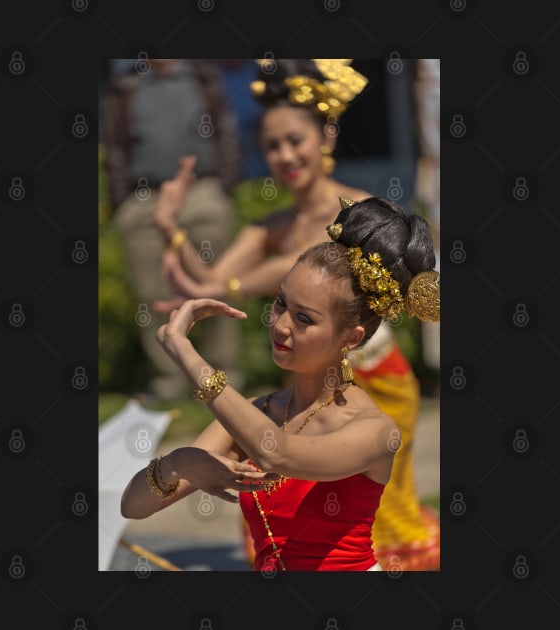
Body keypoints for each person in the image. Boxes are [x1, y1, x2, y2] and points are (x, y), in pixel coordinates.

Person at [151, 59, 441, 570]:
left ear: (326, 135)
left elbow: (236, 282)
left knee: (380, 517)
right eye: (272, 145)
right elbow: (209, 283)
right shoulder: (274, 226)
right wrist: (168, 225)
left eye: (294, 140)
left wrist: (193, 356)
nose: (285, 155)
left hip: (376, 381)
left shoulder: (356, 219)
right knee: (284, 499)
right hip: (310, 382)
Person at [120, 195, 440, 572]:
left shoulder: (374, 430)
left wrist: (187, 355)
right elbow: (133, 506)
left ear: (350, 338)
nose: (281, 324)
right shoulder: (258, 412)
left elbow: (277, 454)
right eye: (280, 303)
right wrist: (178, 463)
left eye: (304, 318)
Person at [99, 58, 244, 401]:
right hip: (145, 197)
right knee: (152, 294)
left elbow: (226, 129)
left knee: (215, 283)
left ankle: (225, 374)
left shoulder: (204, 75)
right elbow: (115, 146)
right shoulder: (125, 85)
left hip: (202, 191)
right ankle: (169, 381)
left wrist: (225, 185)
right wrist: (123, 201)